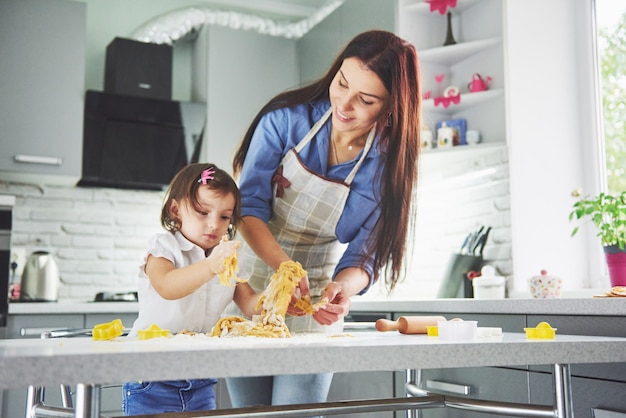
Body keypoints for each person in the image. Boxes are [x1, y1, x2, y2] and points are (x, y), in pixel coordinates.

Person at [226, 30, 422, 408]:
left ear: (391, 107)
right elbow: (247, 210)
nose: (344, 105)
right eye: (341, 84)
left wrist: (342, 291)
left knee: (297, 413)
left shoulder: (386, 169)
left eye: (365, 100)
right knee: (251, 414)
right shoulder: (285, 121)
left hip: (315, 298)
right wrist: (285, 269)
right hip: (248, 285)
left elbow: (366, 257)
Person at [123, 163, 261, 416]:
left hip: (201, 378)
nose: (213, 224)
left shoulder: (229, 257)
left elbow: (250, 303)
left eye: (224, 216)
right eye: (202, 212)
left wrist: (279, 298)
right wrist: (210, 266)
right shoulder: (164, 247)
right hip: (152, 379)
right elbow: (166, 286)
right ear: (176, 210)